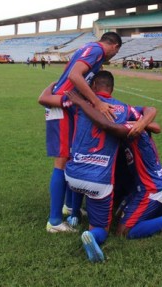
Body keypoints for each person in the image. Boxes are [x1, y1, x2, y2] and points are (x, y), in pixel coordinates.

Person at [63, 71, 157, 262]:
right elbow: (151, 113)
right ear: (112, 89)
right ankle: (93, 234)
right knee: (101, 228)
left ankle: (73, 214)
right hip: (99, 181)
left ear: (94, 85)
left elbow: (47, 99)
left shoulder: (79, 102)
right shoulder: (123, 108)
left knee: (85, 183)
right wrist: (142, 123)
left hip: (71, 176)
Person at [39, 32, 122, 233]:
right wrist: (97, 102)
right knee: (62, 160)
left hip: (64, 104)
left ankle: (69, 206)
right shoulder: (97, 50)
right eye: (116, 52)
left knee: (69, 157)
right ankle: (55, 222)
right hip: (62, 106)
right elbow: (74, 75)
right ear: (114, 46)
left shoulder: (91, 50)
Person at [115, 123, 162, 240]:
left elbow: (154, 121)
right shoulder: (137, 125)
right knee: (119, 214)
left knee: (123, 232)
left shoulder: (133, 128)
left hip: (151, 187)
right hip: (154, 181)